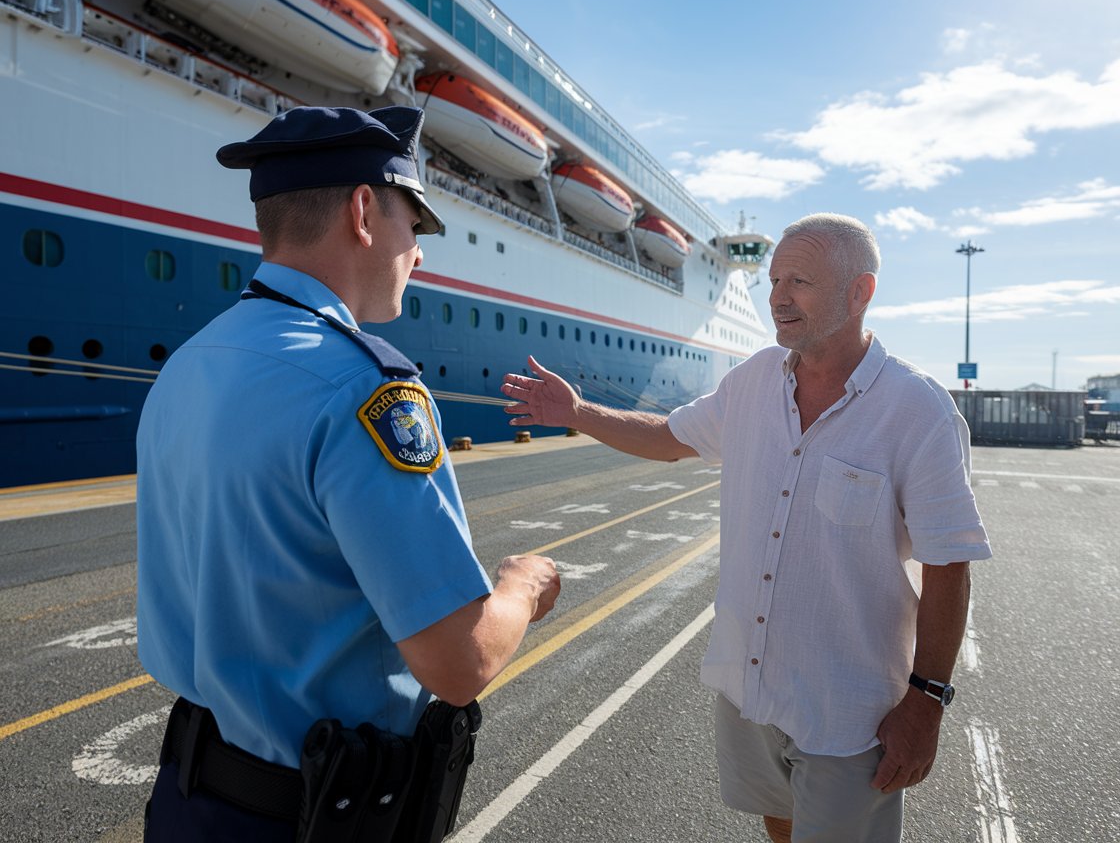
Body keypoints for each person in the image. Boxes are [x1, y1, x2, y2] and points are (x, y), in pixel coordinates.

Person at [136, 105, 561, 842]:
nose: (420, 253)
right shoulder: (366, 387)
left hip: (186, 799)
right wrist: (523, 584)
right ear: (364, 211)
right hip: (312, 816)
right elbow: (458, 664)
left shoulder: (190, 362)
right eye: (416, 225)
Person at [501, 213, 990, 843]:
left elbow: (949, 564)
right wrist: (578, 412)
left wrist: (927, 700)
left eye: (801, 282)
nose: (778, 297)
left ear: (861, 292)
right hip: (749, 687)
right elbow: (668, 436)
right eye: (774, 279)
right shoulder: (753, 381)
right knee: (778, 824)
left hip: (849, 706)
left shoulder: (917, 412)